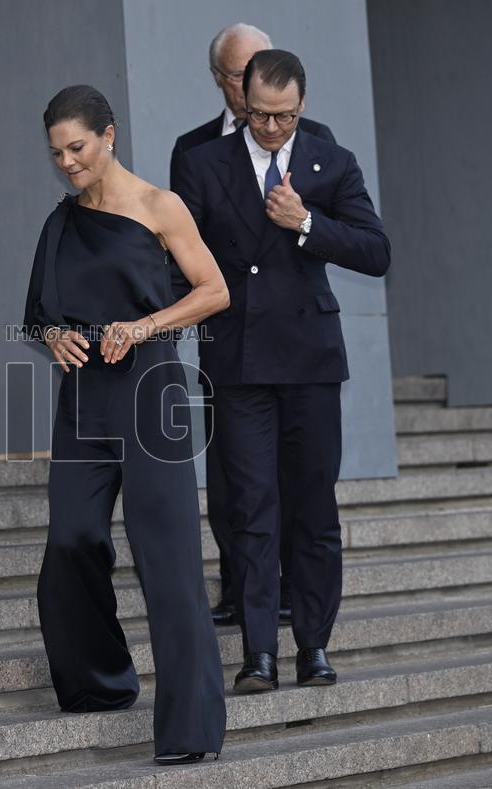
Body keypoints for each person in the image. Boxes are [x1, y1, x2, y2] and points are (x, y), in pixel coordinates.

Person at [172, 50, 390, 693]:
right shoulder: (202, 163)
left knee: (314, 509)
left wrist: (308, 223)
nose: (272, 128)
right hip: (239, 361)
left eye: (286, 117)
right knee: (252, 509)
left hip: (311, 359)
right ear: (242, 100)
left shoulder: (331, 158)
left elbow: (377, 251)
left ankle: (314, 647)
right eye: (261, 115)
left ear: (301, 104)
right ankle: (258, 655)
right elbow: (178, 253)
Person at [24, 85, 229, 765]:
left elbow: (214, 290)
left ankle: (190, 728)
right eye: (57, 153)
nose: (68, 162)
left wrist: (143, 325)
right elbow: (39, 311)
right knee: (72, 539)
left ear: (108, 136)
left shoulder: (158, 206)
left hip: (150, 392)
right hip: (83, 397)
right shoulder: (61, 221)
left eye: (77, 148)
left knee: (166, 558)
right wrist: (55, 336)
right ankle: (100, 683)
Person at [170, 22, 336, 629]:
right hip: (231, 346)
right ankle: (242, 588)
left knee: (300, 487)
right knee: (235, 481)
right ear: (224, 82)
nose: (257, 91)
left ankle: (291, 600)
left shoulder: (318, 144)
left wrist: (306, 220)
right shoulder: (195, 151)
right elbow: (182, 246)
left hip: (298, 348)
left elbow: (364, 242)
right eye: (243, 74)